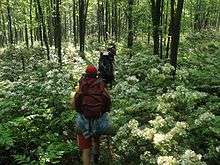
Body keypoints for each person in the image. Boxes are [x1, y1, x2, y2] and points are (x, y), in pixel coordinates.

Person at [72, 65, 111, 165]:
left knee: (86, 150)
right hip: (98, 120)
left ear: (85, 74)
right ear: (96, 75)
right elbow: (108, 104)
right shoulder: (101, 87)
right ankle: (96, 157)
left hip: (83, 121)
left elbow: (74, 105)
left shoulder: (80, 87)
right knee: (96, 139)